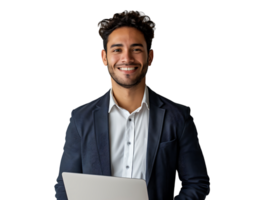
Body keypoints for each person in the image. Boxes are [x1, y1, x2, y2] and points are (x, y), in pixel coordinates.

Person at [53, 9, 212, 200]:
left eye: (136, 49)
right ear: (103, 57)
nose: (127, 58)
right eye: (117, 49)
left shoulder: (178, 116)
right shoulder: (80, 118)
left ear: (151, 57)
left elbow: (197, 184)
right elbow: (65, 187)